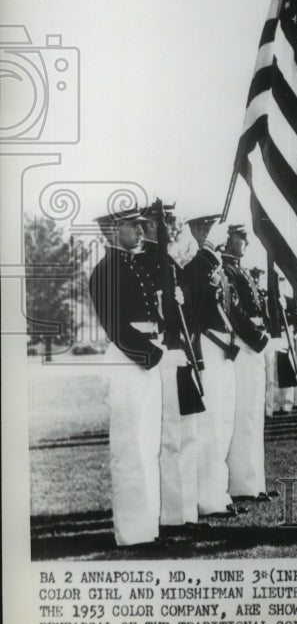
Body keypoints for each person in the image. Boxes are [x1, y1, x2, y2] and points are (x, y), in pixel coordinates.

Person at [89, 205, 187, 547]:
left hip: (146, 357)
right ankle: (132, 532)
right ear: (113, 231)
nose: (142, 232)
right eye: (134, 227)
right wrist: (154, 355)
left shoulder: (133, 266)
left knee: (149, 445)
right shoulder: (104, 271)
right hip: (129, 360)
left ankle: (149, 528)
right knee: (130, 448)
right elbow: (117, 328)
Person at [139, 201, 203, 533]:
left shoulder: (170, 261)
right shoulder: (143, 262)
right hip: (166, 352)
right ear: (152, 224)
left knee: (188, 434)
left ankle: (187, 511)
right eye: (168, 221)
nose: (175, 227)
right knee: (171, 438)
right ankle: (174, 515)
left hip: (182, 352)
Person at [182, 213, 239, 517]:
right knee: (212, 427)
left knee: (224, 424)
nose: (211, 232)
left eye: (212, 227)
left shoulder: (212, 265)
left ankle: (220, 491)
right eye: (206, 227)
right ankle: (208, 497)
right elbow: (195, 312)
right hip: (208, 346)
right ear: (196, 229)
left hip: (222, 347)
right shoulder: (196, 268)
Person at [221, 224, 272, 501]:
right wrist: (258, 339)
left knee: (253, 414)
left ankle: (254, 481)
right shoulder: (227, 271)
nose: (247, 243)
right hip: (245, 343)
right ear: (229, 240)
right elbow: (235, 311)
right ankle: (243, 484)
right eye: (242, 238)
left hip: (254, 341)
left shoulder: (238, 269)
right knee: (243, 415)